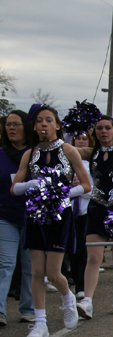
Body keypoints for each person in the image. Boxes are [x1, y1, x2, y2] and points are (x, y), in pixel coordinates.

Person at [10, 105, 92, 337]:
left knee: (53, 272)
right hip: (35, 215)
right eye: (39, 121)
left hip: (60, 215)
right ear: (34, 127)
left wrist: (65, 193)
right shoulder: (30, 153)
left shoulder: (69, 151)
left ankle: (67, 298)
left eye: (49, 120)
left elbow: (87, 186)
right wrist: (30, 185)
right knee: (37, 271)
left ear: (57, 125)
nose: (44, 124)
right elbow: (14, 187)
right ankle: (40, 323)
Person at [74, 115, 113, 319]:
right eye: (99, 128)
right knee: (93, 256)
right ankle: (88, 301)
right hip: (96, 207)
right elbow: (66, 150)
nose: (103, 131)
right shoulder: (90, 152)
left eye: (107, 128)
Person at [0, 109, 34, 325]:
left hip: (32, 217)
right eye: (8, 124)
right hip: (5, 216)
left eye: (16, 124)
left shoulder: (35, 154)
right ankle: (0, 311)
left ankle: (28, 309)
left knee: (30, 267)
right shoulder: (1, 154)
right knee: (5, 264)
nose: (11, 128)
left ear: (26, 127)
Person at [68, 131, 93, 299]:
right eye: (78, 138)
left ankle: (82, 286)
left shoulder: (91, 163)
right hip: (69, 211)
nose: (81, 141)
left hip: (85, 211)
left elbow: (92, 189)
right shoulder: (66, 160)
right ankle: (75, 279)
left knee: (84, 250)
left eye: (85, 139)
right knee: (72, 249)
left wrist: (80, 188)